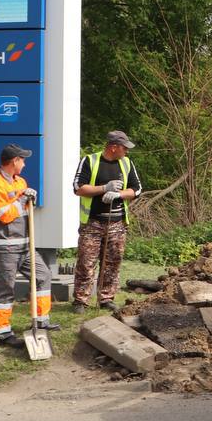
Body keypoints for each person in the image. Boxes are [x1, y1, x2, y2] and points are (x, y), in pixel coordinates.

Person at [0, 143, 57, 347]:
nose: (24, 164)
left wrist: (29, 198)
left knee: (43, 276)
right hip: (5, 248)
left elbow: (23, 208)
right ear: (14, 161)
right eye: (22, 160)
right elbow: (5, 216)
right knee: (5, 289)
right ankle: (3, 333)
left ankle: (42, 321)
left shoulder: (20, 181)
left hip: (25, 246)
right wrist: (21, 199)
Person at [72, 131, 143, 313]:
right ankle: (81, 300)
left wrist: (118, 194)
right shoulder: (90, 161)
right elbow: (79, 188)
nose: (126, 151)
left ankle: (106, 298)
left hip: (117, 223)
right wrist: (104, 188)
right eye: (124, 148)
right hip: (92, 223)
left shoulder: (127, 163)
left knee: (112, 262)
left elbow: (137, 189)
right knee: (86, 262)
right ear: (113, 147)